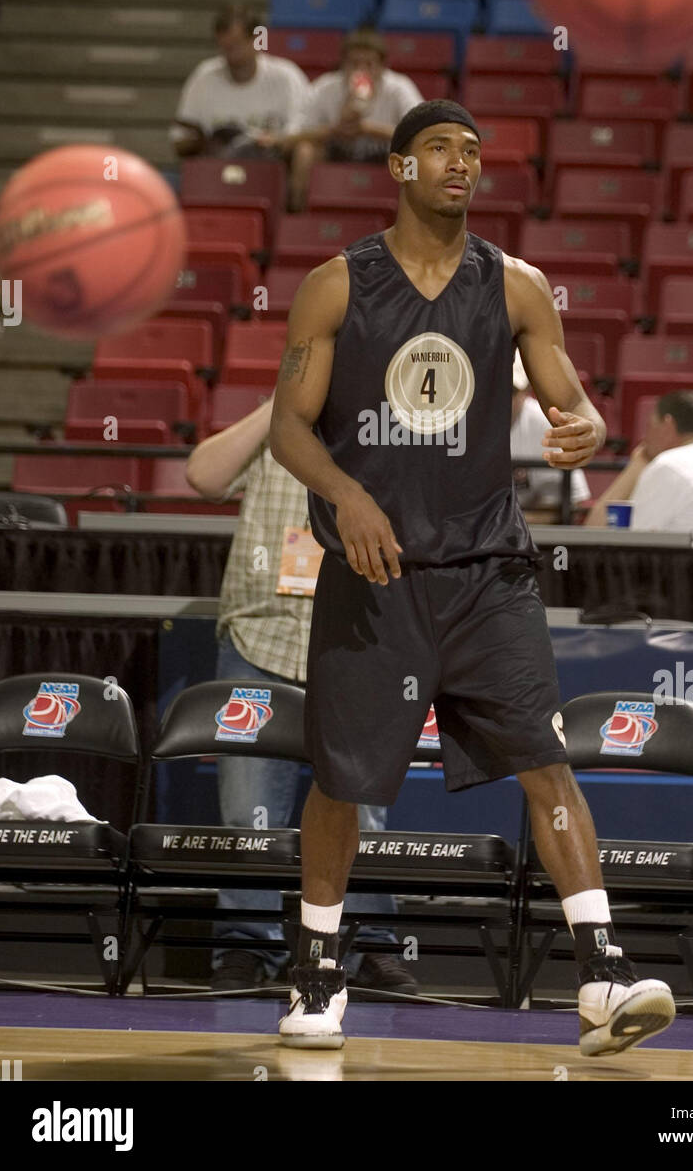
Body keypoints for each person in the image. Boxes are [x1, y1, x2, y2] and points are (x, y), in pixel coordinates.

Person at [268, 98, 676, 1053]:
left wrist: (591, 428)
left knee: (546, 759)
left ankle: (602, 978)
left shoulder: (517, 285)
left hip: (489, 568)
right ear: (400, 168)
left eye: (474, 152)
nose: (462, 164)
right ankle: (316, 976)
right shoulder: (337, 286)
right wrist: (346, 494)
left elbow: (574, 404)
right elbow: (289, 427)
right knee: (343, 776)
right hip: (376, 569)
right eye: (441, 149)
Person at [185, 393, 415, 996]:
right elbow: (202, 476)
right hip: (259, 641)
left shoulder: (386, 430)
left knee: (363, 812)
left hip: (358, 642)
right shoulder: (278, 427)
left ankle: (368, 947)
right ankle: (244, 949)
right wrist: (279, 405)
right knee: (247, 817)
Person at [586, 391, 693, 548]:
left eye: (649, 426)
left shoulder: (671, 464)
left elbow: (604, 537)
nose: (645, 438)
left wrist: (636, 466)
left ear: (667, 424)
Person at [288, 27, 422, 210]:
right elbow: (295, 134)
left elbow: (421, 133)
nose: (361, 70)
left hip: (384, 156)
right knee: (304, 152)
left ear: (382, 66)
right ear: (343, 64)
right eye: (354, 63)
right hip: (336, 153)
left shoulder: (399, 88)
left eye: (369, 64)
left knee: (412, 156)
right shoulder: (326, 86)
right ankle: (299, 216)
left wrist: (368, 129)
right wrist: (334, 129)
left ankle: (411, 218)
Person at [170, 3, 309, 163]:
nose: (231, 56)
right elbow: (179, 140)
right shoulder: (203, 77)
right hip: (216, 171)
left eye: (237, 46)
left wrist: (275, 142)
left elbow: (303, 134)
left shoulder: (286, 77)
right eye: (225, 48)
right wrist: (201, 143)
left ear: (257, 40)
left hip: (271, 170)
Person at [511, 354, 590, 520]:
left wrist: (517, 527)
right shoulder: (461, 420)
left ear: (526, 392)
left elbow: (572, 500)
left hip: (530, 532)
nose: (502, 397)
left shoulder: (545, 422)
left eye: (511, 391)